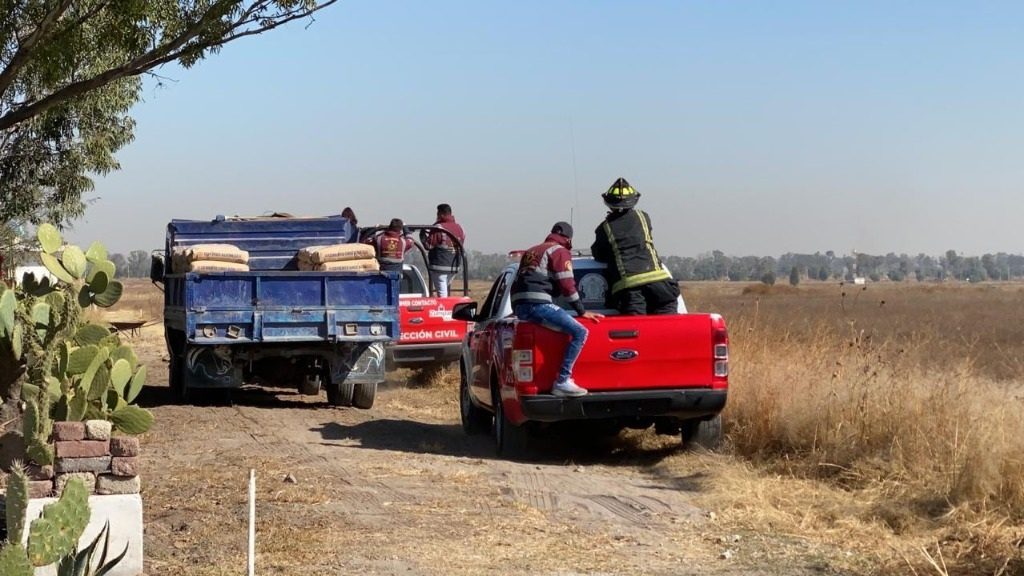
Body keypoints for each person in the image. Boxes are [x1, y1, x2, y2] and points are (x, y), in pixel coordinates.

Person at [511, 222, 604, 397]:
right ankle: (562, 381)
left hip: (522, 306)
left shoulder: (532, 251)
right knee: (580, 332)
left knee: (562, 330)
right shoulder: (560, 251)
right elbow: (567, 284)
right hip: (538, 304)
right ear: (568, 239)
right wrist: (581, 311)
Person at [591, 177, 680, 315]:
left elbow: (599, 254)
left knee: (637, 331)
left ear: (609, 204)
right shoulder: (644, 217)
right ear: (633, 200)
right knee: (666, 328)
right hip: (660, 285)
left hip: (631, 290)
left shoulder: (604, 228)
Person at [423, 203, 465, 297]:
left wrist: (422, 236)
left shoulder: (438, 228)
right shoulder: (460, 228)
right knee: (445, 290)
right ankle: (449, 308)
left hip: (439, 266)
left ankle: (445, 310)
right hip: (454, 266)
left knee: (442, 294)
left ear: (441, 214)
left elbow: (428, 245)